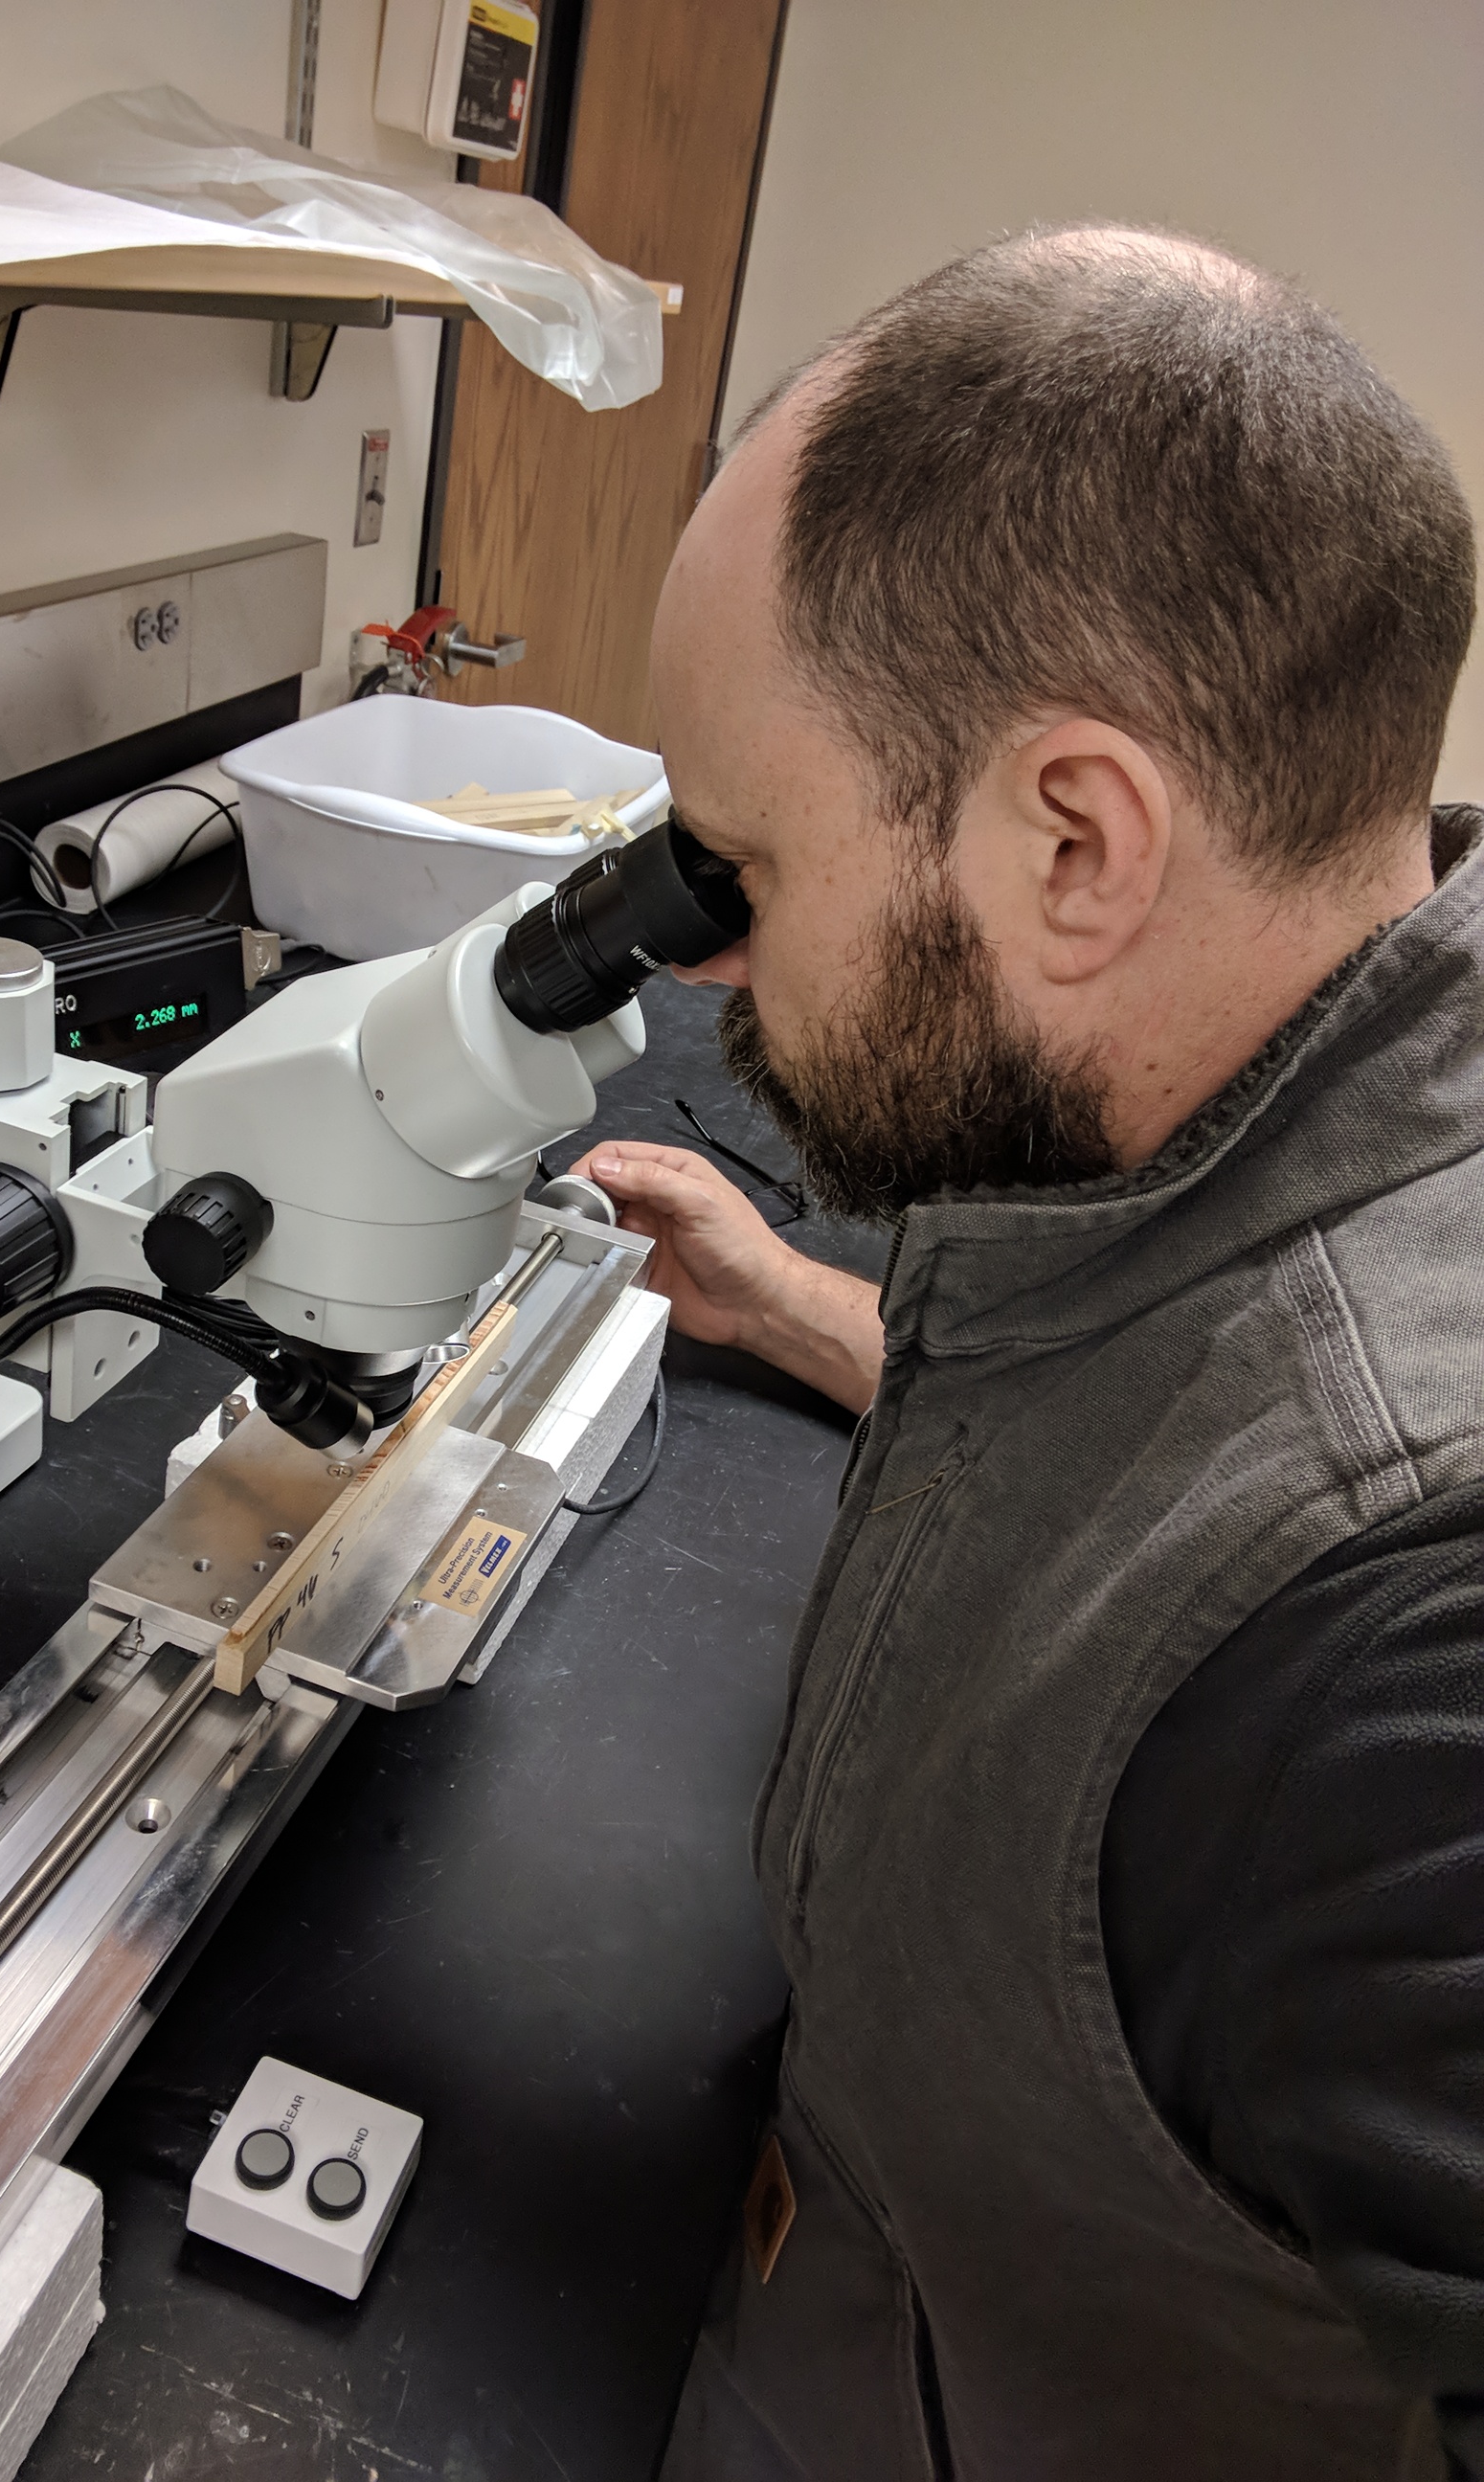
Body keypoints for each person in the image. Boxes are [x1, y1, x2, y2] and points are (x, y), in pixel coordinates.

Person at [568, 225, 1484, 2479]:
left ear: (1075, 841)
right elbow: (1189, 1472)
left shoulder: (1414, 1707)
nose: (701, 980)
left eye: (746, 874)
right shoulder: (1247, 1111)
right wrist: (797, 1305)